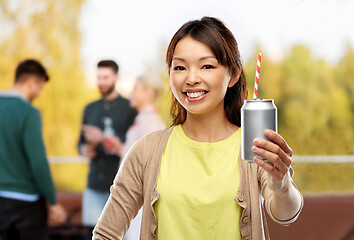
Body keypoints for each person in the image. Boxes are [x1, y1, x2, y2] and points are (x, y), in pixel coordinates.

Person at [93, 17, 303, 240]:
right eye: (180, 67)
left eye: (207, 66)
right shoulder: (146, 151)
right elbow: (106, 233)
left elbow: (286, 214)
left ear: (233, 74)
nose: (191, 79)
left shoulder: (254, 148)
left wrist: (280, 184)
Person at [0, 59, 67, 240]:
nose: (39, 94)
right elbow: (38, 162)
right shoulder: (29, 112)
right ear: (31, 83)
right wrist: (53, 202)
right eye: (40, 88)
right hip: (25, 204)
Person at [78, 60, 137, 237]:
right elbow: (80, 142)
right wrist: (84, 149)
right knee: (93, 235)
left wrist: (103, 138)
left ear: (116, 77)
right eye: (98, 77)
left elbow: (135, 144)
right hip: (94, 186)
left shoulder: (130, 108)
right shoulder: (90, 108)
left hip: (122, 189)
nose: (101, 82)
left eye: (105, 77)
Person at [104, 74, 166, 239]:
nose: (131, 93)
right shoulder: (144, 119)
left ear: (149, 93)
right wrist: (119, 146)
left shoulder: (151, 122)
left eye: (136, 89)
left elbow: (148, 162)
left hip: (140, 199)